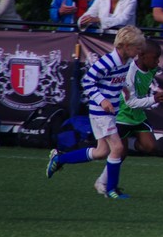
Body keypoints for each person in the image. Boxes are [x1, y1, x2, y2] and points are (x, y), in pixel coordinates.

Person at [46, 25, 145, 199]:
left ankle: (59, 159)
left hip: (111, 111)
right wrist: (102, 100)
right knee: (118, 147)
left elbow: (115, 80)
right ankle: (111, 190)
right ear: (126, 46)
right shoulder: (108, 61)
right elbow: (87, 81)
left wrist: (125, 88)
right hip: (101, 111)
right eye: (137, 47)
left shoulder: (127, 61)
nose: (139, 51)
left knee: (101, 152)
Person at [93, 39, 163, 195]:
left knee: (150, 146)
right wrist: (153, 99)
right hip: (122, 116)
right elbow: (131, 102)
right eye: (155, 58)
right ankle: (102, 182)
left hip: (138, 116)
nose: (158, 62)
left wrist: (152, 96)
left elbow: (141, 90)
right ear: (141, 56)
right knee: (117, 153)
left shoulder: (152, 69)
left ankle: (127, 143)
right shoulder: (130, 72)